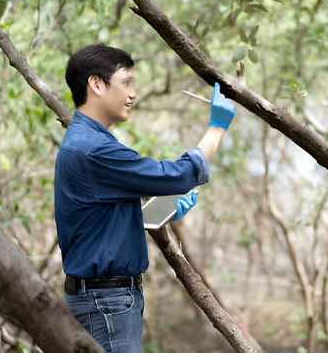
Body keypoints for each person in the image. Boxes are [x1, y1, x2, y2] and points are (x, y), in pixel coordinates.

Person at [54, 44, 235, 353]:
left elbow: (99, 220)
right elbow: (177, 175)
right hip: (107, 303)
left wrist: (157, 213)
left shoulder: (87, 140)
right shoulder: (94, 148)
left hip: (105, 300)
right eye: (125, 82)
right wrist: (216, 128)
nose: (132, 93)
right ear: (96, 84)